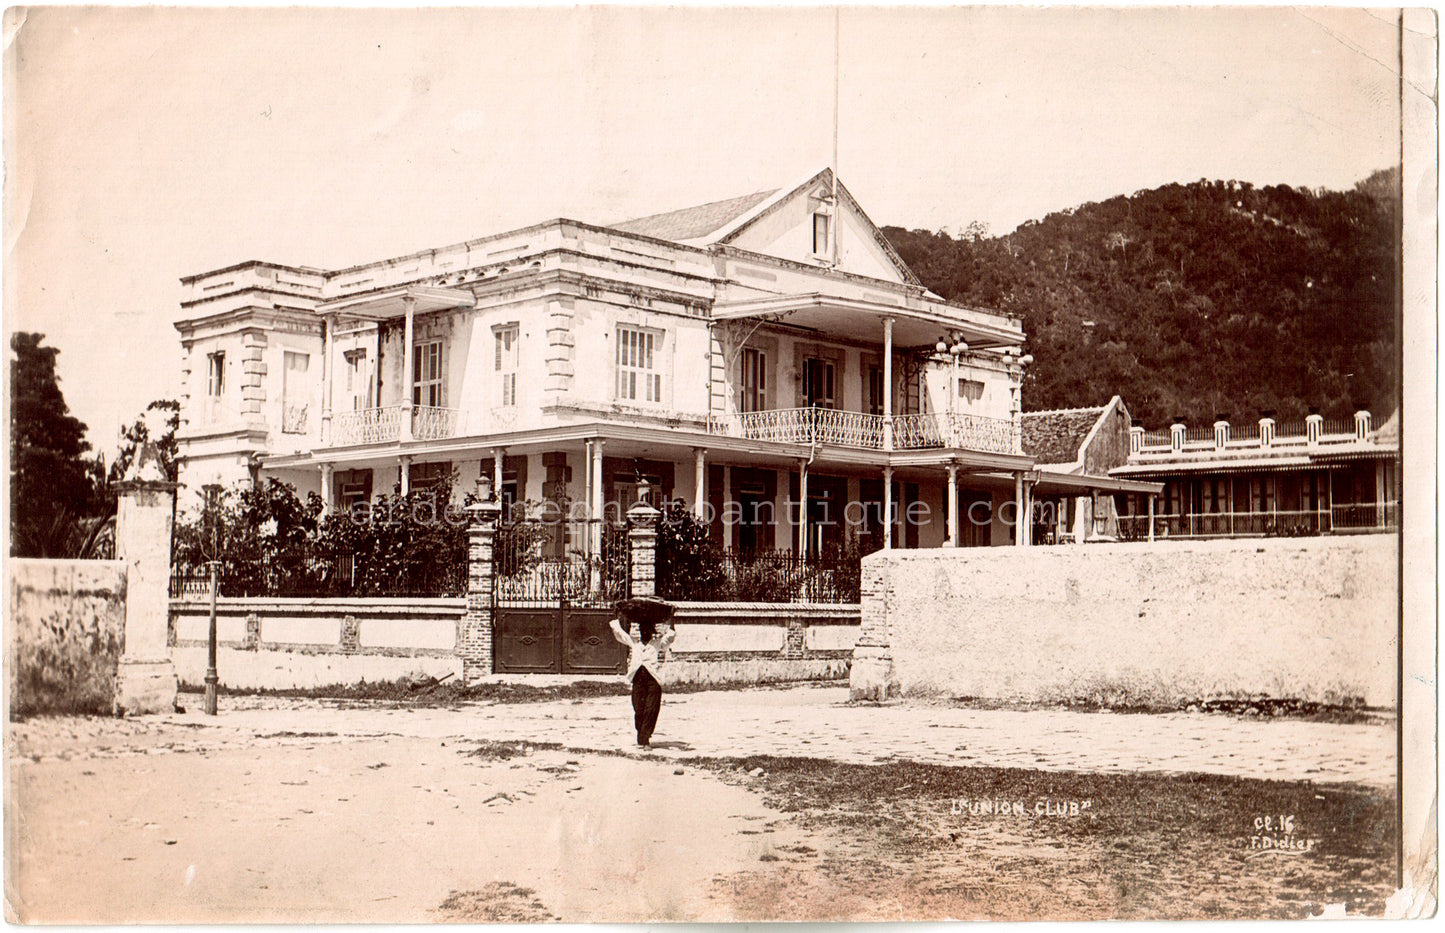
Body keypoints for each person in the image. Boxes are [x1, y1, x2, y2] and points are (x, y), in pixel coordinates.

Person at [608, 596, 677, 747]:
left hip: (653, 681)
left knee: (651, 709)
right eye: (642, 630)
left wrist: (671, 617)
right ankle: (642, 733)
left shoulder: (657, 644)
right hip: (638, 680)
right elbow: (619, 633)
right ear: (640, 632)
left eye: (647, 630)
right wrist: (616, 614)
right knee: (638, 708)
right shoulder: (634, 644)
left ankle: (644, 740)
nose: (645, 632)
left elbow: (670, 636)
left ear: (651, 632)